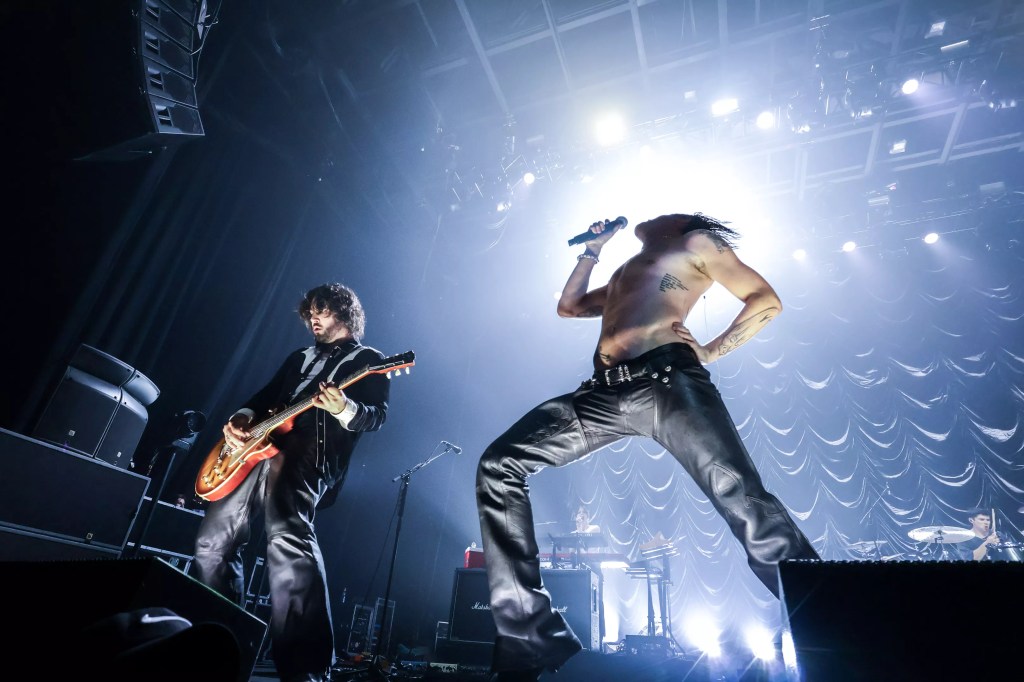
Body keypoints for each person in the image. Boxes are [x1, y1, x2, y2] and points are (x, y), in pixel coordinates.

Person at [475, 213, 820, 681]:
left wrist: (712, 349)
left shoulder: (695, 242)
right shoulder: (625, 270)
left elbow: (766, 300)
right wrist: (594, 249)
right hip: (600, 393)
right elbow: (570, 306)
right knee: (499, 465)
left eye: (662, 211)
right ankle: (526, 638)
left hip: (668, 381)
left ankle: (829, 613)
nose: (648, 214)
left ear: (680, 221)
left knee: (739, 495)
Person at [193, 283, 390, 682]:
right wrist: (239, 421)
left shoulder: (370, 360)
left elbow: (376, 415)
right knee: (212, 543)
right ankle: (222, 652)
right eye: (309, 314)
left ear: (344, 312)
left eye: (321, 311)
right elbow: (263, 395)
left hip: (309, 451)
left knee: (286, 536)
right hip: (258, 447)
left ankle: (306, 669)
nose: (313, 319)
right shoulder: (298, 357)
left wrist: (344, 407)